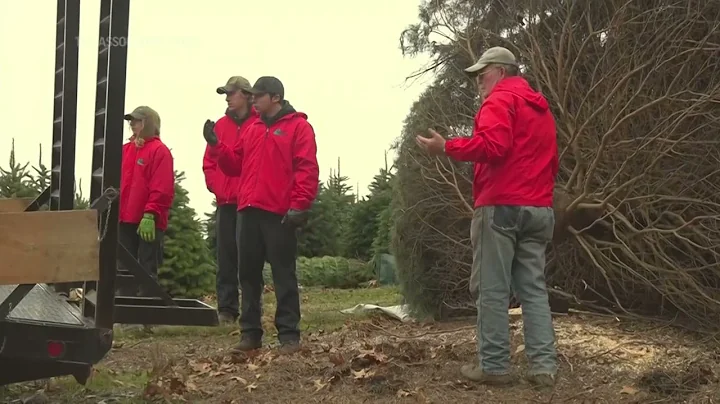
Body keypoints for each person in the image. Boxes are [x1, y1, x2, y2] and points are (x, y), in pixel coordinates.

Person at [416, 47, 559, 388]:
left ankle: (494, 367)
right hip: (539, 208)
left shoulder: (499, 100)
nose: (478, 80)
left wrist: (446, 148)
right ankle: (544, 369)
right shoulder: (541, 109)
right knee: (534, 290)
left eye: (483, 73)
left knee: (492, 289)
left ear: (501, 71)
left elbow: (493, 147)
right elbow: (552, 161)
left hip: (501, 206)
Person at [203, 76, 319, 355]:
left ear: (275, 97)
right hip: (248, 211)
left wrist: (299, 205)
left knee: (283, 274)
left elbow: (307, 168)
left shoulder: (299, 128)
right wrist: (217, 146)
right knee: (248, 275)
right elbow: (234, 167)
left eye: (258, 96)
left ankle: (289, 336)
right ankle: (250, 334)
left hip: (280, 213)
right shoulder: (253, 129)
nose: (253, 100)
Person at [202, 76, 260, 325]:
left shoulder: (259, 124)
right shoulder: (220, 126)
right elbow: (209, 163)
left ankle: (252, 308)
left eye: (231, 92)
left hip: (249, 203)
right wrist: (217, 187)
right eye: (226, 93)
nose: (227, 97)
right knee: (225, 257)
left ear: (246, 95)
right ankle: (226, 309)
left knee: (249, 258)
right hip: (226, 203)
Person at [119, 106, 175, 298]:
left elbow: (162, 187)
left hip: (148, 221)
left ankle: (146, 319)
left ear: (148, 123)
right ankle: (124, 315)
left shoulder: (160, 152)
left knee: (146, 270)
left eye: (137, 120)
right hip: (125, 220)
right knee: (123, 271)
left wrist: (150, 214)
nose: (132, 124)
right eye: (131, 121)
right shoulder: (125, 150)